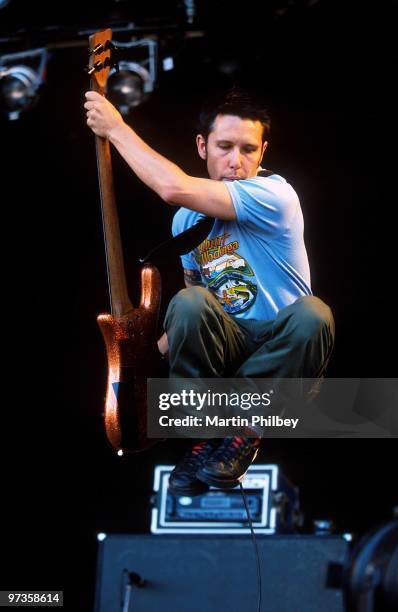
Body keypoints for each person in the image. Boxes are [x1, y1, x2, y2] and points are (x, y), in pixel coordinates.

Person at [84, 88, 335, 496]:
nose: (236, 161)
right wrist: (150, 352)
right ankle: (203, 437)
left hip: (283, 360)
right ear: (202, 145)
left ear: (263, 151)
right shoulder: (187, 221)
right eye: (224, 147)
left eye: (248, 149)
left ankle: (243, 431)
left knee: (313, 314)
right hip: (229, 355)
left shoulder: (275, 196)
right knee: (189, 300)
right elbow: (198, 295)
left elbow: (172, 187)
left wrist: (116, 129)